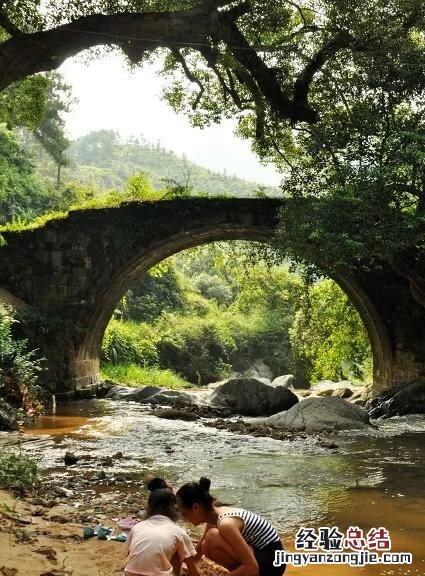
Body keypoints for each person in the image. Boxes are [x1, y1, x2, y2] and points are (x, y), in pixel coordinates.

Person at [176, 477, 286, 576]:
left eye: (184, 514)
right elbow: (198, 553)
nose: (184, 519)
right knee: (207, 545)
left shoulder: (226, 524)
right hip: (264, 556)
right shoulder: (214, 516)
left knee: (212, 538)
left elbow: (252, 567)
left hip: (273, 564)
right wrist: (180, 562)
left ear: (195, 507)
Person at [124, 477, 199, 576]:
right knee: (179, 551)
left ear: (149, 507)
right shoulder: (178, 532)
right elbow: (192, 568)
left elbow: (130, 556)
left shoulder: (137, 527)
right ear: (174, 508)